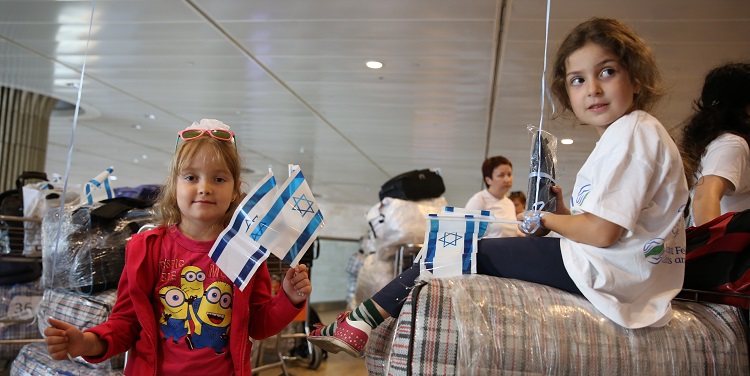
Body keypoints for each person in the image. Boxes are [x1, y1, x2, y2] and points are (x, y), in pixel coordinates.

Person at [307, 17, 688, 358]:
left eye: (607, 72)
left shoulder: (633, 132)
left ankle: (358, 322)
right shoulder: (629, 135)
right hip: (620, 269)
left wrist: (545, 220)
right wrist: (562, 217)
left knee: (456, 251)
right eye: (578, 80)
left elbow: (604, 233)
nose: (593, 89)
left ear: (635, 77)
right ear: (568, 93)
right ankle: (358, 321)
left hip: (611, 274)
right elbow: (608, 229)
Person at [43, 119, 312, 375]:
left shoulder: (245, 251)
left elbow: (257, 325)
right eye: (191, 177)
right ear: (174, 186)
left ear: (234, 191)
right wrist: (88, 342)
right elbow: (126, 323)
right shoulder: (147, 249)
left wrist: (289, 298)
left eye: (219, 179)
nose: (205, 188)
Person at [679, 62, 750, 226]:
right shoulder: (732, 144)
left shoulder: (719, 140)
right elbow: (705, 196)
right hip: (730, 249)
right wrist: (714, 249)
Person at [464, 156, 519, 238]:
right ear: (488, 180)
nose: (507, 179)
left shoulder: (509, 203)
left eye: (509, 174)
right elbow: (465, 231)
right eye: (501, 175)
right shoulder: (479, 200)